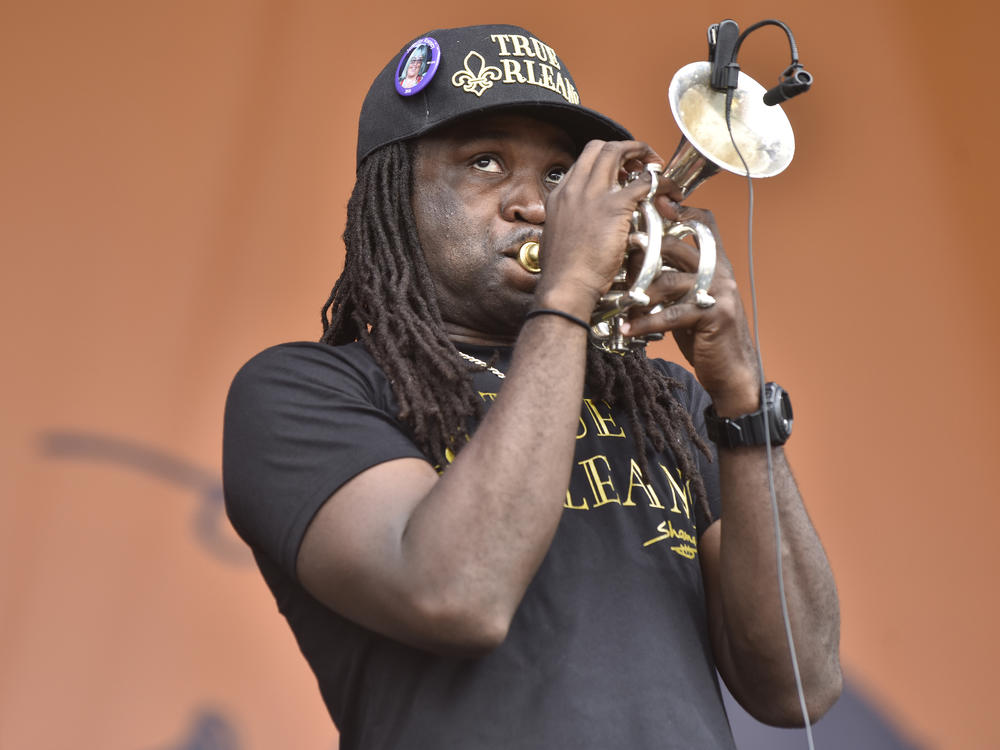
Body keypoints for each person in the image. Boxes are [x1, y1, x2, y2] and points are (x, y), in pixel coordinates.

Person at [223, 23, 842, 749]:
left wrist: (739, 398)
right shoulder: (307, 391)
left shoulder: (667, 403)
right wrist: (571, 290)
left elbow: (798, 684)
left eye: (558, 175)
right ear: (392, 196)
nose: (538, 204)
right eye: (486, 161)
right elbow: (458, 595)